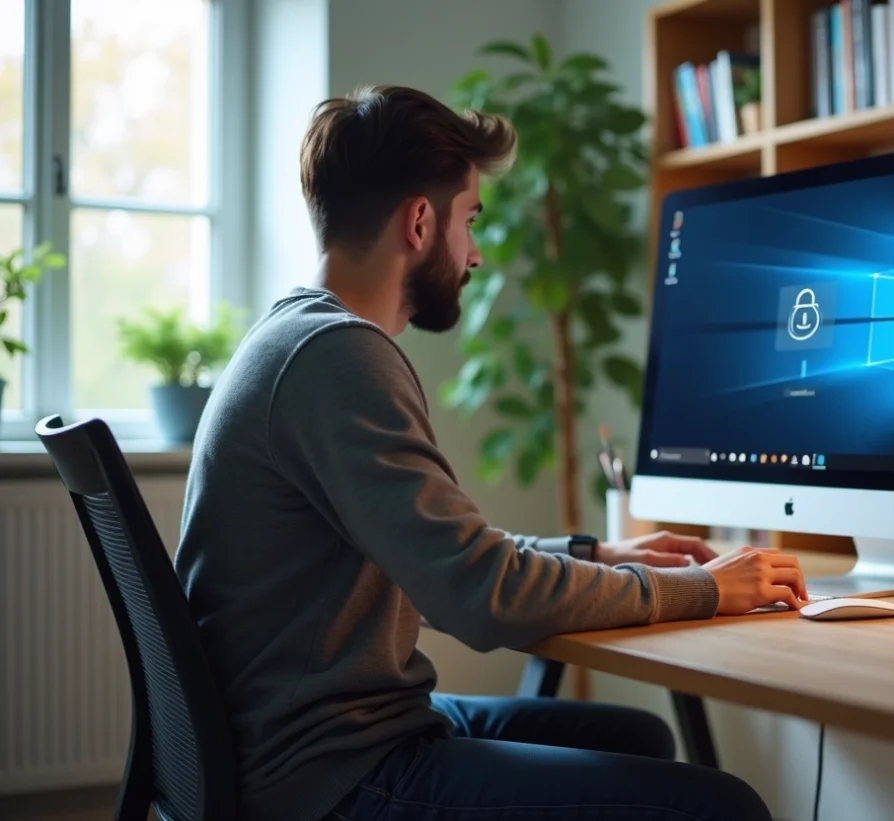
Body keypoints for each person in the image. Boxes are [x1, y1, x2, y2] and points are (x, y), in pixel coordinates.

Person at [175, 84, 807, 821]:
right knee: (722, 806)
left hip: (324, 736)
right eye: (469, 219)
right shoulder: (337, 357)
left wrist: (599, 554)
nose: (474, 252)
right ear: (419, 221)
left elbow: (439, 558)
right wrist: (706, 589)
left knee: (636, 735)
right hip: (329, 774)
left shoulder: (295, 337)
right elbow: (480, 594)